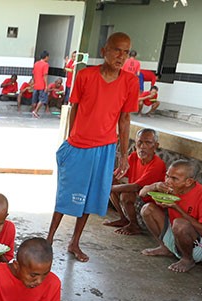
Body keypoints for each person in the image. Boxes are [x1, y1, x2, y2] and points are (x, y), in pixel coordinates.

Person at [46, 32, 139, 263]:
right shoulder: (86, 75)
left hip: (106, 148)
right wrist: (69, 139)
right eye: (117, 50)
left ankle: (74, 242)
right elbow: (74, 108)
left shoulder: (129, 81)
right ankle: (48, 241)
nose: (121, 56)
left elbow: (125, 119)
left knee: (88, 198)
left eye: (126, 52)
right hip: (78, 146)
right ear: (104, 51)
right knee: (66, 195)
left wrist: (123, 155)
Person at [139, 159, 202, 272]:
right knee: (147, 209)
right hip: (178, 237)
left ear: (188, 182)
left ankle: (188, 259)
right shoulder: (171, 188)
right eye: (167, 176)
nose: (168, 181)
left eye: (174, 178)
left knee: (179, 223)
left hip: (201, 246)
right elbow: (142, 193)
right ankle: (165, 248)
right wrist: (155, 186)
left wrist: (176, 208)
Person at [103, 128, 166, 235]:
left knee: (125, 194)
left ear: (156, 146)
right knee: (112, 183)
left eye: (148, 143)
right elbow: (116, 174)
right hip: (136, 201)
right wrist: (106, 181)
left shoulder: (157, 164)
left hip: (148, 207)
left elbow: (136, 187)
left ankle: (134, 225)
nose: (142, 146)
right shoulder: (133, 157)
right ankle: (124, 219)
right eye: (140, 142)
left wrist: (107, 188)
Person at [31, 51, 50, 118]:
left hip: (36, 84)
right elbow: (45, 75)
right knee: (42, 99)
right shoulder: (46, 64)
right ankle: (35, 111)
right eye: (48, 57)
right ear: (46, 57)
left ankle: (33, 111)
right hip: (42, 84)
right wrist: (46, 85)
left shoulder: (36, 63)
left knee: (35, 99)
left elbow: (33, 73)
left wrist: (33, 82)